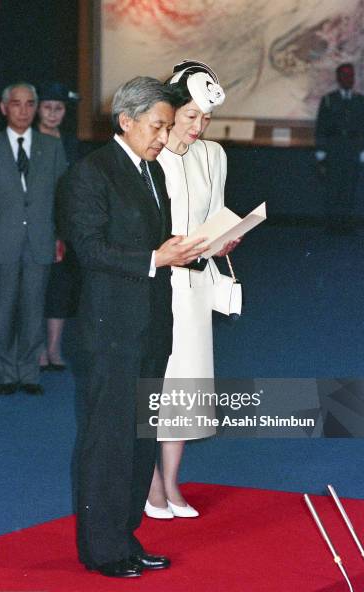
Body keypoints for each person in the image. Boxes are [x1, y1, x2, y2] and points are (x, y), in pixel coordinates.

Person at [63, 76, 207, 578]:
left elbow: (157, 243)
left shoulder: (152, 173)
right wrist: (154, 256)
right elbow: (91, 249)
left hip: (150, 326)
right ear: (126, 121)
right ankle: (101, 550)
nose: (164, 138)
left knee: (140, 438)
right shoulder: (91, 173)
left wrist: (195, 251)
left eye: (168, 127)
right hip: (110, 329)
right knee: (107, 439)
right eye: (158, 126)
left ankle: (125, 536)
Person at [145, 60, 240, 520]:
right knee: (158, 387)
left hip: (198, 286)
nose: (199, 128)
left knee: (189, 389)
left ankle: (171, 483)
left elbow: (215, 214)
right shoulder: (150, 153)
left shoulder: (214, 155)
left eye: (206, 119)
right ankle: (151, 486)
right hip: (160, 287)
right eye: (190, 118)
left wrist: (226, 238)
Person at [0, 82, 67, 395]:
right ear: (4, 108)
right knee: (2, 310)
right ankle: (6, 374)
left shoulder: (51, 147)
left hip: (41, 240)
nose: (24, 110)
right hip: (0, 241)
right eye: (16, 104)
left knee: (33, 308)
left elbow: (61, 197)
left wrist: (60, 236)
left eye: (30, 103)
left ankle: (29, 373)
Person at [36, 81, 81, 372]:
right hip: (33, 226)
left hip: (64, 227)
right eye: (48, 107)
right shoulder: (25, 140)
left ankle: (54, 348)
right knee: (32, 289)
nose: (53, 114)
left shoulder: (69, 143)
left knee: (59, 290)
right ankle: (36, 347)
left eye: (59, 108)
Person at [315, 63, 364, 230]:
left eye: (351, 76)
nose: (349, 79)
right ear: (338, 78)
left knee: (349, 187)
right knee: (333, 186)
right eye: (345, 76)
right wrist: (320, 149)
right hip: (334, 148)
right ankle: (332, 224)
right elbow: (321, 126)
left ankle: (347, 224)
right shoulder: (328, 100)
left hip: (353, 148)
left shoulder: (361, 101)